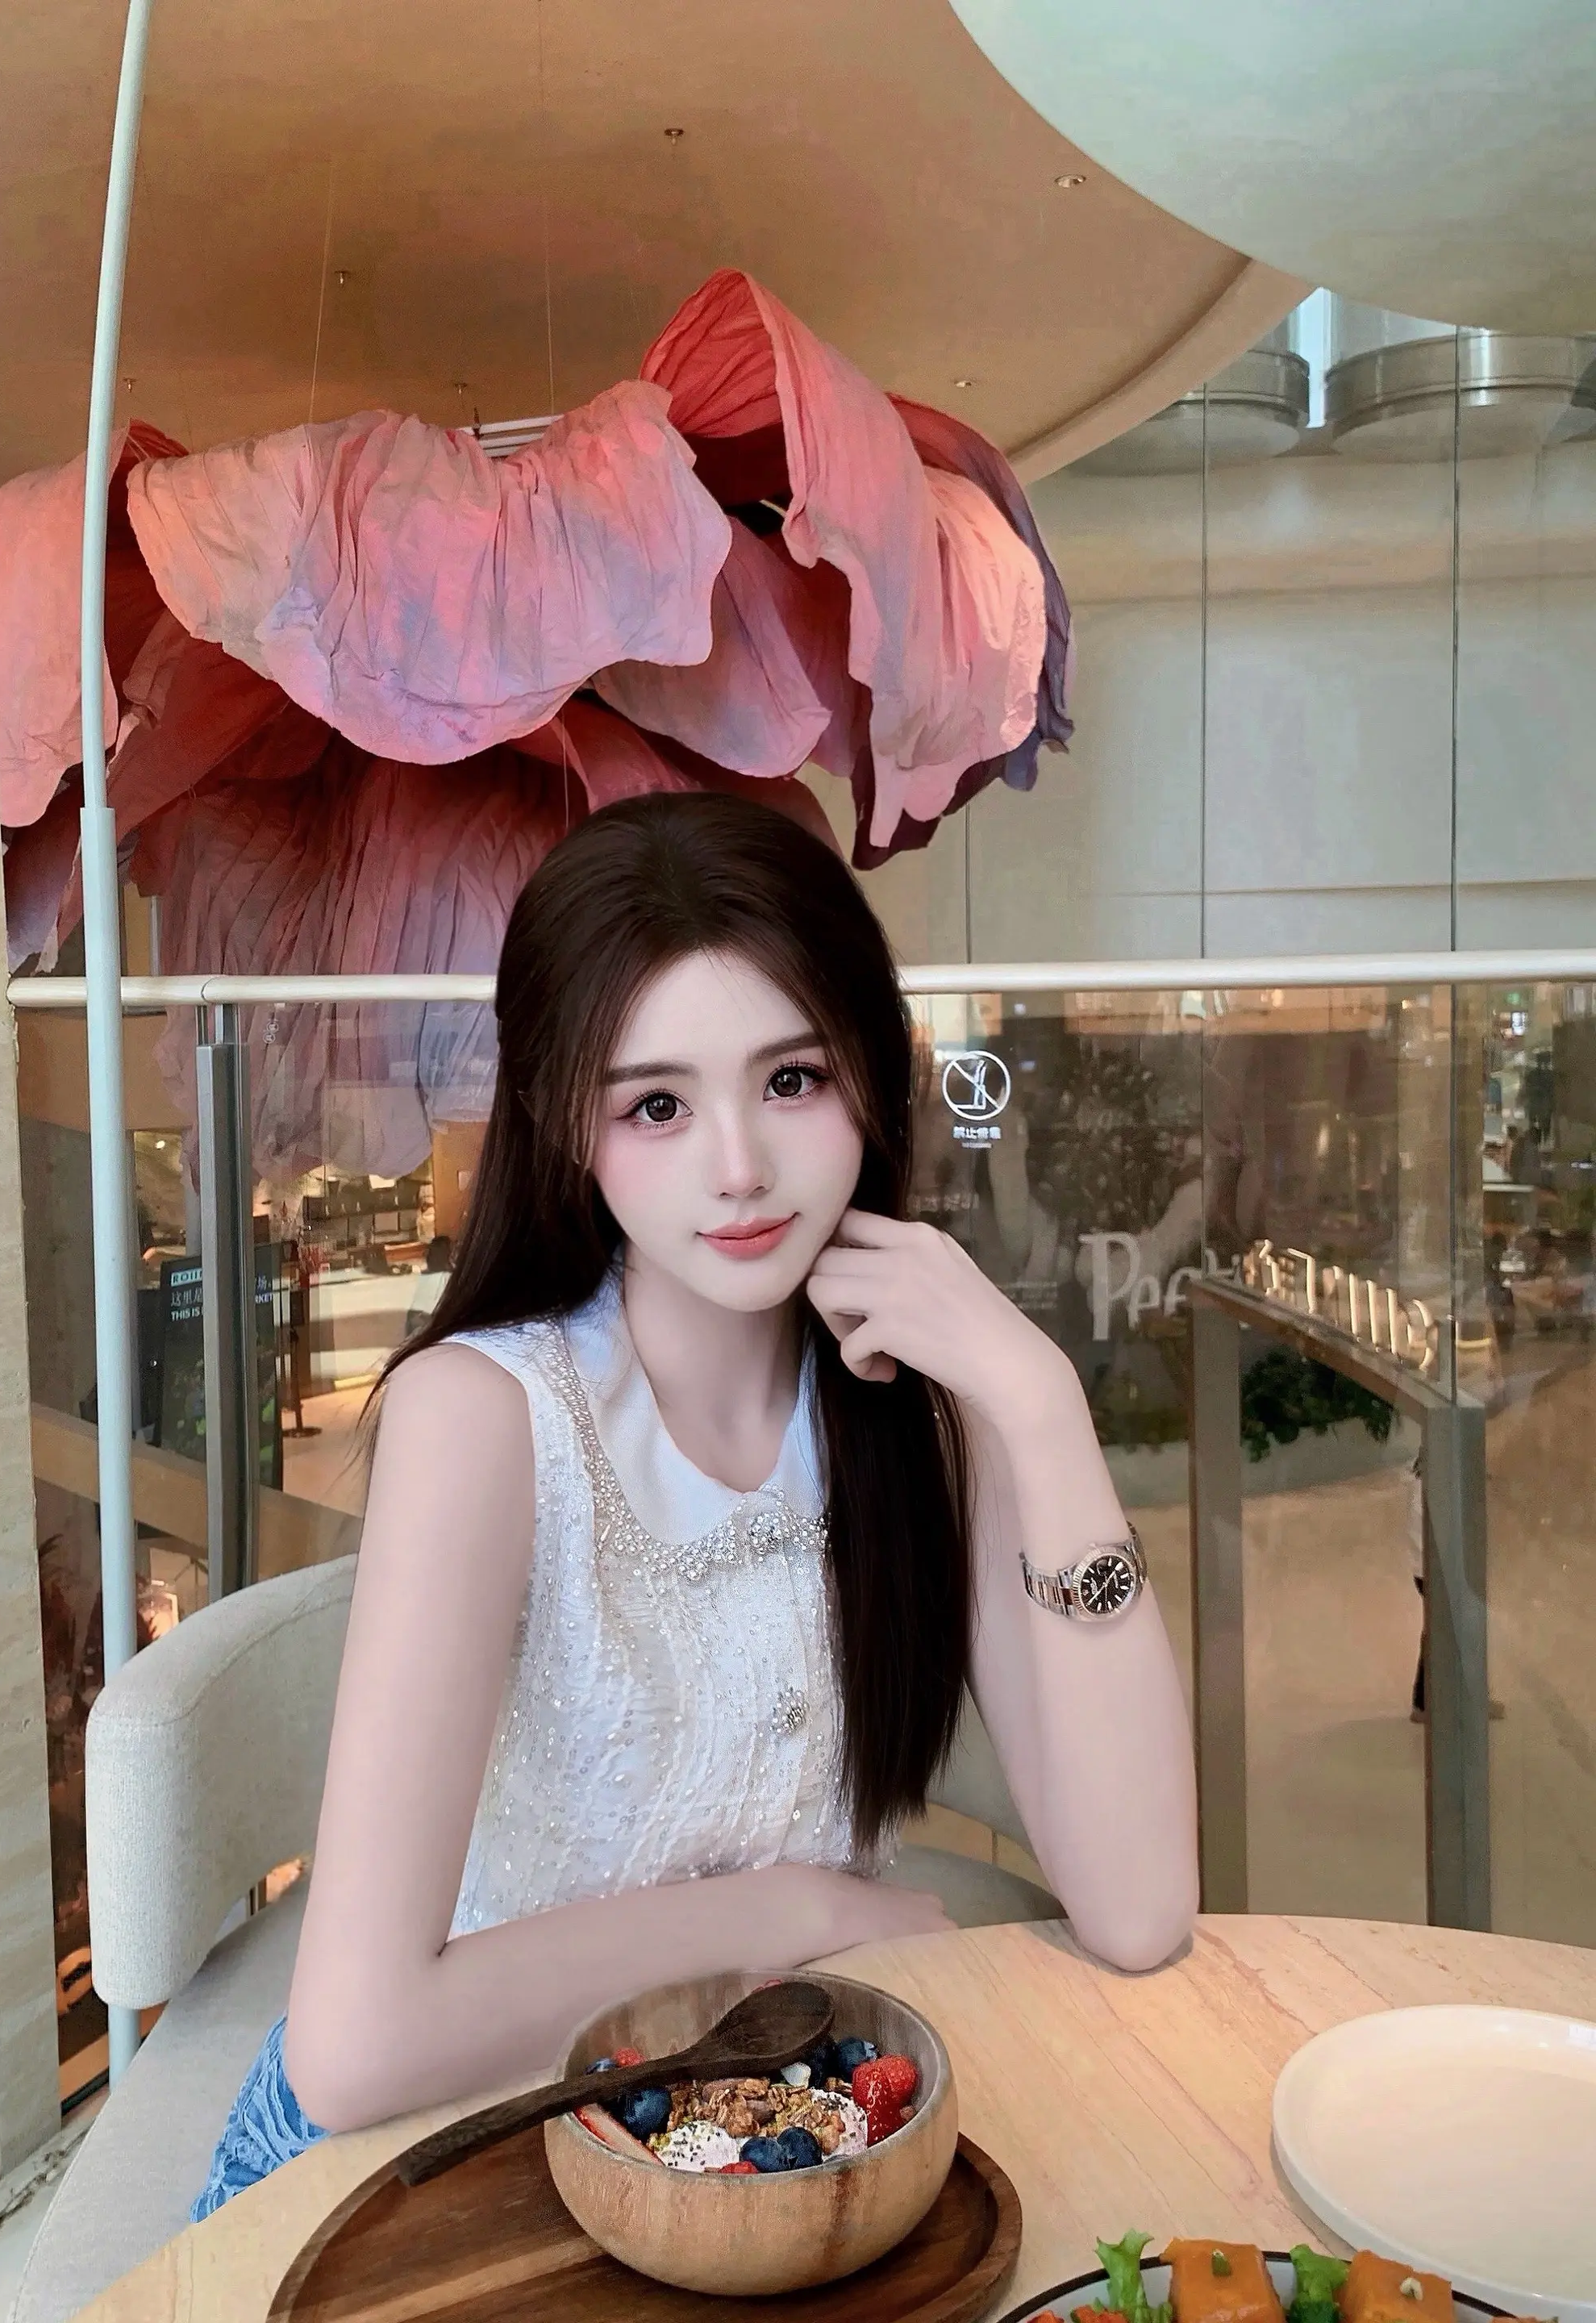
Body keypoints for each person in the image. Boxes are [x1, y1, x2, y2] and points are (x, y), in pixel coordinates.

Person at [194, 793, 1198, 2213]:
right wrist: (792, 1913)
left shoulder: (921, 1410)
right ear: (569, 1124)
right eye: (657, 1105)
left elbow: (1142, 1910)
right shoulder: (489, 1419)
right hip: (455, 2146)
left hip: (760, 2138)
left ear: (874, 1073)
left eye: (792, 1080)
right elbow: (356, 2051)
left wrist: (1039, 1406)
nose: (739, 1168)